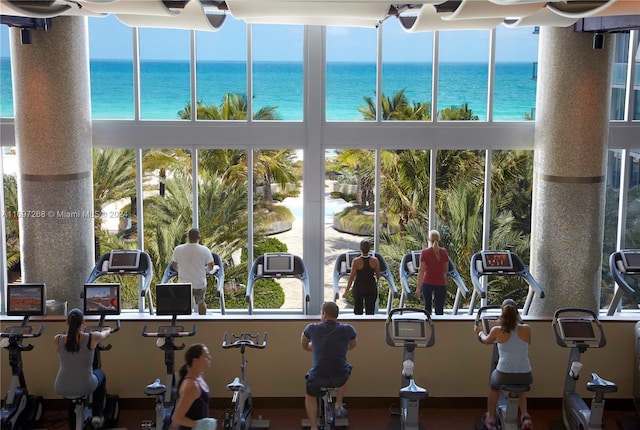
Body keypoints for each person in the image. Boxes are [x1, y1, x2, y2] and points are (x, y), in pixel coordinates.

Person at [474, 299, 533, 430]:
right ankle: (525, 416)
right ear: (517, 314)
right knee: (521, 385)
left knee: (494, 385)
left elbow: (486, 340)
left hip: (504, 374)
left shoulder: (497, 330)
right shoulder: (527, 329)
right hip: (526, 374)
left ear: (502, 314)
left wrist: (479, 332)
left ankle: (490, 418)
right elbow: (527, 344)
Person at [301, 302, 357, 430]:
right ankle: (338, 404)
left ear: (324, 314)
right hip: (340, 376)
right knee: (345, 368)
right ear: (337, 315)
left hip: (318, 376)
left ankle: (314, 427)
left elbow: (304, 344)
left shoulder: (312, 328)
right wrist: (341, 347)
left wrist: (313, 347)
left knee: (310, 395)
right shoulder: (348, 329)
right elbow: (353, 345)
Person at [53, 308, 112, 428]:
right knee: (100, 374)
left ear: (67, 322)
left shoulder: (57, 339)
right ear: (83, 322)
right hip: (85, 385)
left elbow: (69, 342)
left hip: (61, 385)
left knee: (71, 390)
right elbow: (105, 334)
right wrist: (108, 329)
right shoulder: (92, 337)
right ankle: (97, 415)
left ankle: (73, 424)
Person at [170, 343, 217, 430]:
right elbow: (177, 418)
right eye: (206, 356)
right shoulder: (191, 385)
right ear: (195, 361)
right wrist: (198, 425)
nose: (210, 358)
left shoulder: (199, 377)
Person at [172, 228, 215, 315]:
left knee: (183, 304)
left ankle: (185, 322)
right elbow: (211, 266)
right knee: (201, 302)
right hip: (199, 282)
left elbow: (174, 265)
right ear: (199, 237)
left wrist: (180, 271)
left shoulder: (178, 249)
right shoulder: (205, 250)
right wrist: (205, 271)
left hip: (184, 282)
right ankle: (202, 321)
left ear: (188, 237)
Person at [414, 229, 449, 315]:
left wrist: (418, 287)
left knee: (427, 308)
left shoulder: (424, 252)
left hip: (427, 282)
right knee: (439, 309)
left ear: (429, 239)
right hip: (441, 283)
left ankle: (428, 327)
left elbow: (421, 270)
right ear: (439, 239)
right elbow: (446, 269)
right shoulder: (444, 252)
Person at [342, 239, 380, 315]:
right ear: (369, 248)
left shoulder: (356, 261)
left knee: (358, 311)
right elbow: (378, 275)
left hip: (359, 288)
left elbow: (351, 277)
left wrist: (346, 292)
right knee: (370, 312)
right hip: (371, 288)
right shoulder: (375, 260)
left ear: (360, 248)